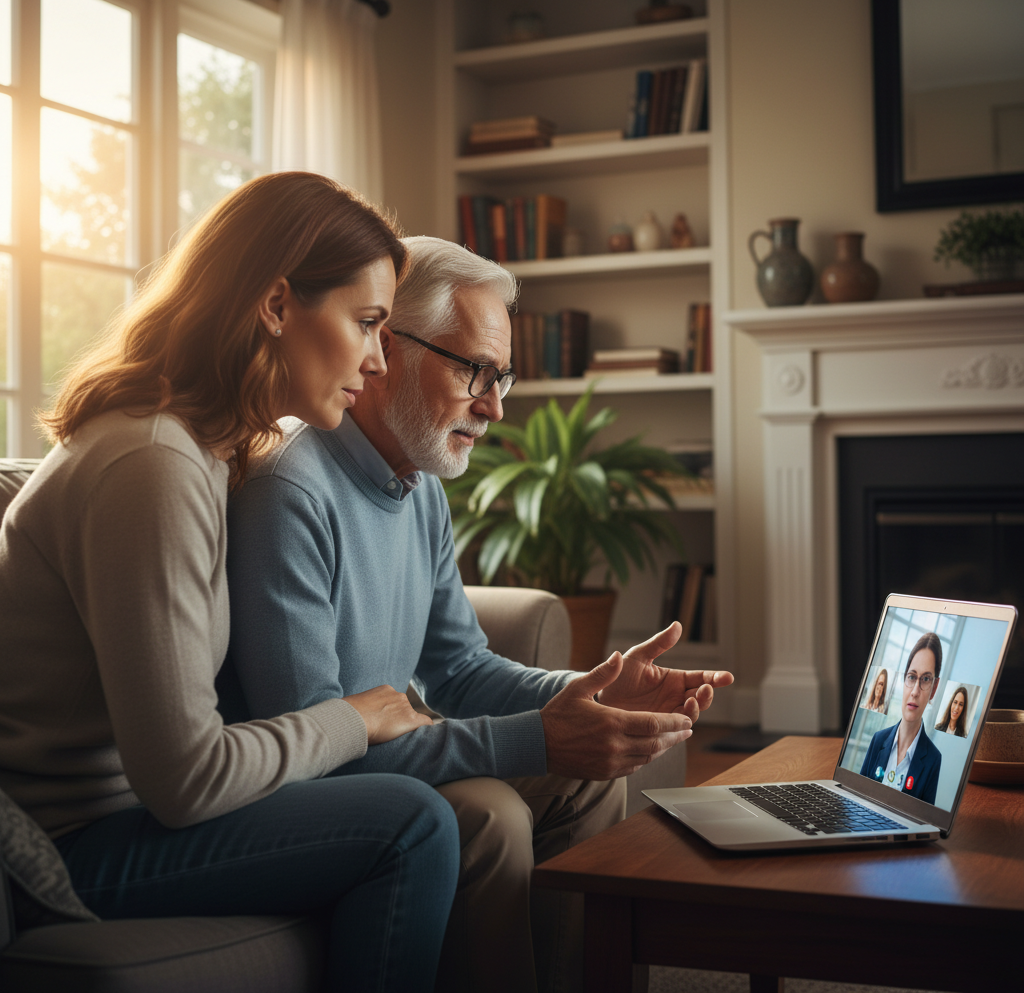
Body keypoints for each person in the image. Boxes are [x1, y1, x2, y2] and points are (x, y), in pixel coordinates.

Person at [225, 235, 734, 993]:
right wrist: (537, 735)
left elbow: (458, 668)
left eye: (503, 377)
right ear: (387, 347)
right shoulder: (289, 493)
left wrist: (587, 690)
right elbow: (313, 745)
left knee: (592, 776)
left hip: (388, 755)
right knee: (492, 814)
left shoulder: (418, 482)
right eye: (475, 372)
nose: (494, 407)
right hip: (312, 786)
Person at [0, 173, 461, 992]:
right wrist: (350, 720)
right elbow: (187, 779)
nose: (378, 359)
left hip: (125, 818)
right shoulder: (150, 462)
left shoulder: (204, 452)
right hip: (77, 841)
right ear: (277, 305)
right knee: (412, 824)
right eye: (365, 324)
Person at [860, 633, 943, 805]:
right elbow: (856, 798)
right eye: (912, 677)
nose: (914, 691)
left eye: (926, 679)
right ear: (904, 680)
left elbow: (924, 825)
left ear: (934, 689)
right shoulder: (878, 739)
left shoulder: (933, 759)